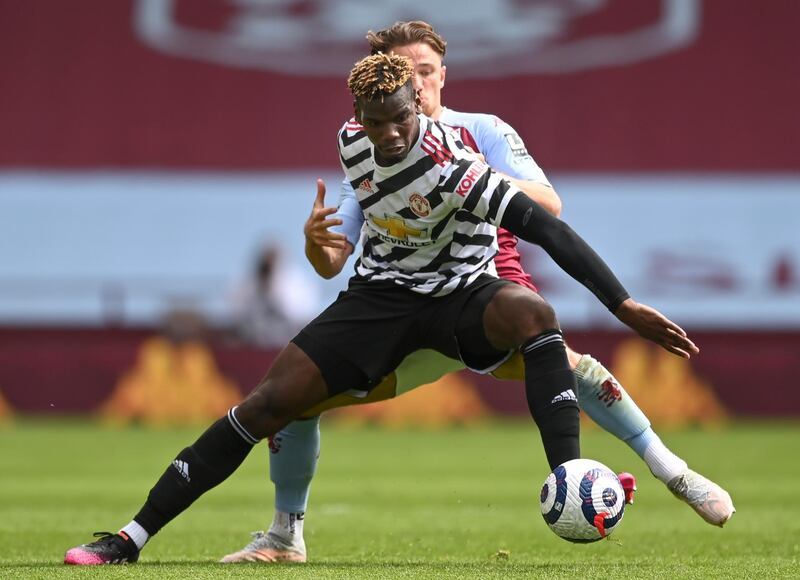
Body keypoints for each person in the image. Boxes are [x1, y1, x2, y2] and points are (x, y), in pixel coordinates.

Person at [64, 52, 698, 565]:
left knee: (534, 317)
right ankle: (130, 537)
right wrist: (320, 242)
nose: (389, 133)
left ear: (420, 102)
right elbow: (337, 252)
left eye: (400, 117)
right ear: (357, 115)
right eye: (375, 120)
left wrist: (624, 304)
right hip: (381, 298)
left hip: (460, 296)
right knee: (267, 405)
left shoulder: (457, 168)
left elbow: (548, 230)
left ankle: (569, 477)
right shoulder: (352, 142)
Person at [220, 21, 734, 564]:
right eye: (405, 73)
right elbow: (333, 255)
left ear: (441, 76)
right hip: (406, 304)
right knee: (299, 404)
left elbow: (550, 206)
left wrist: (459, 174)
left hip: (488, 287)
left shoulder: (480, 130)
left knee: (569, 363)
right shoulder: (371, 149)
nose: (417, 84)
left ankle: (673, 471)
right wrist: (316, 243)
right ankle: (285, 534)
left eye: (425, 72)